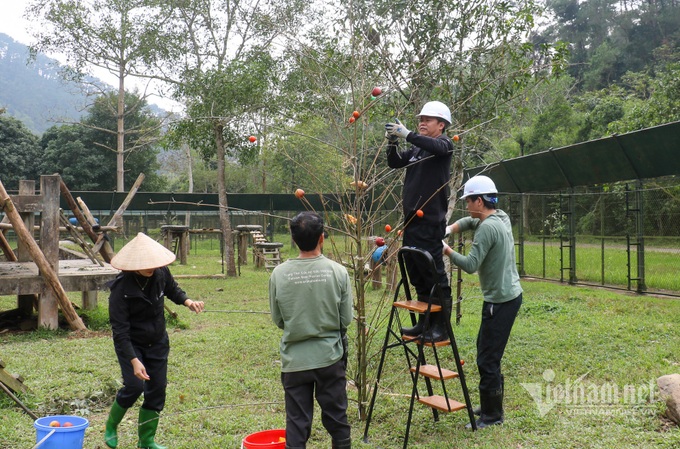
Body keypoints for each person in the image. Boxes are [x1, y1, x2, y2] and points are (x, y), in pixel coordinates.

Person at [104, 232, 205, 449]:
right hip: (132, 344)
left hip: (157, 341)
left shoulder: (160, 273)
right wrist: (133, 360)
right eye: (146, 263)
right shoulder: (120, 290)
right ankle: (111, 426)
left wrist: (188, 302)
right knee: (134, 386)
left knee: (157, 389)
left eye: (154, 262)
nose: (151, 267)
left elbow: (173, 290)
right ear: (133, 264)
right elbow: (120, 332)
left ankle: (146, 440)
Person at [442, 175, 523, 429]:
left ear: (480, 201)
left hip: (499, 301)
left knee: (487, 359)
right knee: (486, 352)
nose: (467, 206)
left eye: (469, 201)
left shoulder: (487, 228)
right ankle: (490, 405)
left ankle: (492, 416)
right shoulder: (499, 217)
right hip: (508, 296)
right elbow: (469, 221)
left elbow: (470, 265)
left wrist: (445, 248)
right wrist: (450, 229)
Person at [269, 212, 353, 449]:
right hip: (330, 359)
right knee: (338, 421)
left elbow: (278, 319)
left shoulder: (279, 274)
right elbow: (345, 318)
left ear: (293, 240)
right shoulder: (338, 272)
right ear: (322, 238)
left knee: (296, 424)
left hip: (295, 362)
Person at [384, 101, 455, 342]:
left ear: (441, 125)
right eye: (420, 119)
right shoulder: (416, 151)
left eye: (428, 119)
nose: (422, 122)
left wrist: (408, 134)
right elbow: (394, 162)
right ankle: (425, 324)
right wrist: (393, 141)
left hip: (430, 221)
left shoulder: (443, 145)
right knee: (417, 271)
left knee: (434, 271)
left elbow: (436, 147)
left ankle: (441, 327)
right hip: (412, 221)